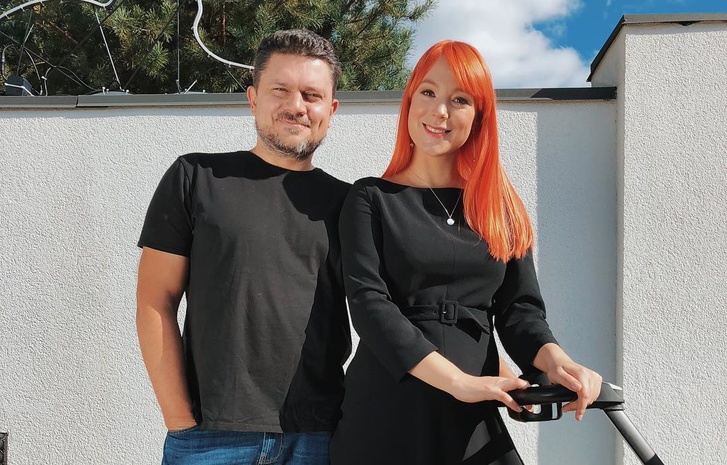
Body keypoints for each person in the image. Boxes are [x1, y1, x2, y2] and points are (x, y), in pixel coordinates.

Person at [330, 40, 602, 465]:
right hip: (387, 407)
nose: (440, 111)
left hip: (473, 410)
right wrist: (457, 382)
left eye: (459, 100)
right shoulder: (370, 198)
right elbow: (369, 305)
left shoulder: (500, 207)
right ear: (409, 100)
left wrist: (559, 363)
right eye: (428, 92)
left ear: (479, 116)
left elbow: (520, 312)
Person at [136, 29, 351, 465]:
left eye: (311, 95)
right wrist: (179, 419)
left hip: (318, 438)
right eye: (280, 90)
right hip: (209, 439)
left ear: (330, 110)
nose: (296, 106)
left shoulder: (350, 204)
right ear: (253, 98)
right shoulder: (195, 178)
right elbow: (155, 302)